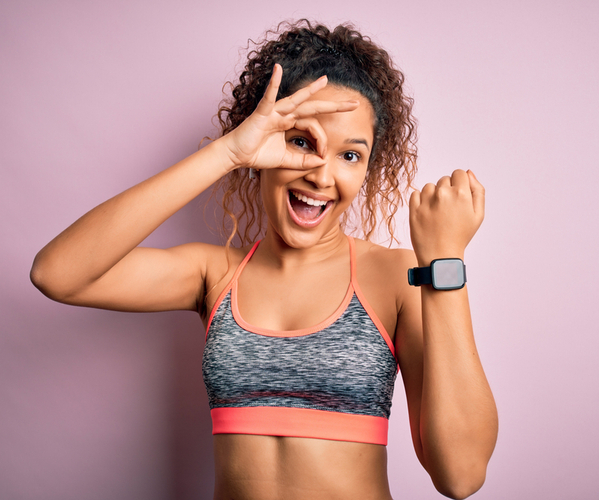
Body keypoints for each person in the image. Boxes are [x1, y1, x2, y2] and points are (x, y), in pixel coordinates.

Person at [31, 20, 497, 500]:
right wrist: (229, 151)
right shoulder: (214, 276)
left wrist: (445, 263)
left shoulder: (398, 278)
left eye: (350, 155)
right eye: (301, 142)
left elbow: (461, 475)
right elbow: (56, 274)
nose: (321, 174)